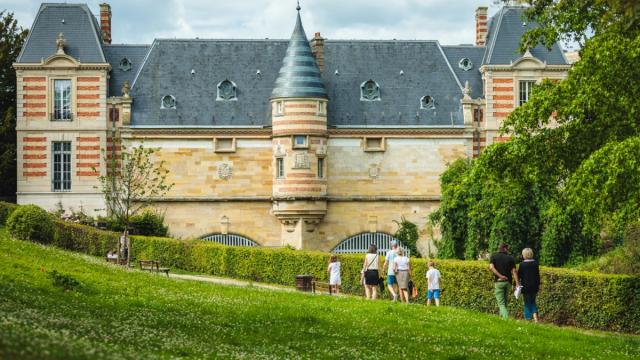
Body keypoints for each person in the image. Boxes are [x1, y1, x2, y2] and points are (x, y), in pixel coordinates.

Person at [489, 243, 520, 319]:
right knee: (504, 302)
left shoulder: (494, 256)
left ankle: (506, 319)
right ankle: (501, 319)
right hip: (508, 282)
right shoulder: (510, 258)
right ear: (505, 248)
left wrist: (500, 276)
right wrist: (517, 283)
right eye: (507, 248)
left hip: (499, 282)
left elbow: (491, 267)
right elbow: (514, 271)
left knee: (501, 303)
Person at [518, 248, 540, 322]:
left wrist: (516, 284)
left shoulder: (522, 264)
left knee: (527, 303)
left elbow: (519, 276)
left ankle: (528, 319)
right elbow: (538, 276)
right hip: (534, 287)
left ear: (524, 255)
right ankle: (535, 318)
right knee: (532, 301)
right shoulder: (535, 264)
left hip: (526, 287)